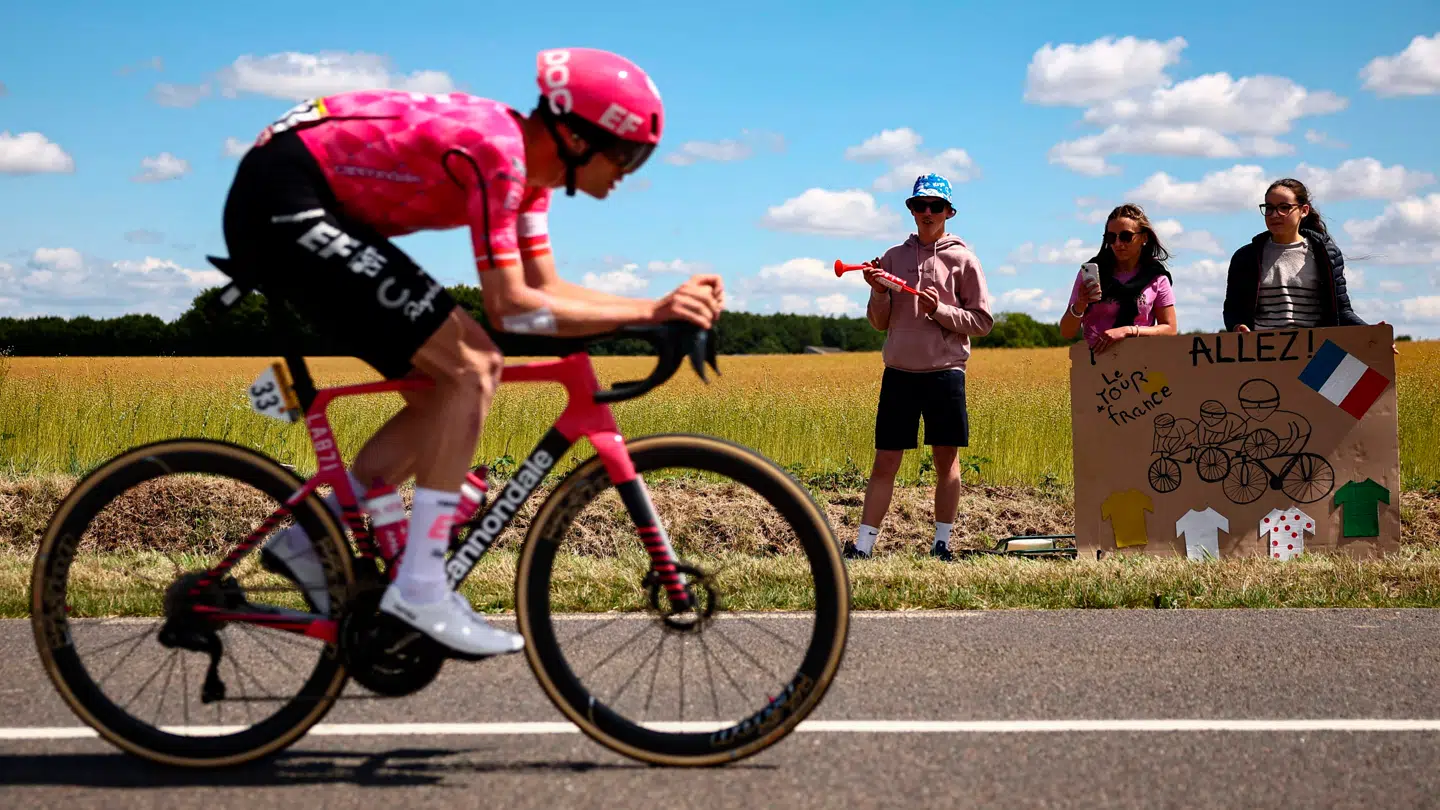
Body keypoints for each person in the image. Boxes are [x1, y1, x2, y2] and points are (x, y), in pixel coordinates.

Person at [221, 48, 725, 657]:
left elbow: (548, 291)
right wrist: (653, 312)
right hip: (281, 193)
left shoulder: (531, 181)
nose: (629, 171)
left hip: (305, 193)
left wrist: (653, 308)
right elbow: (510, 307)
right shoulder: (499, 153)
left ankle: (315, 536)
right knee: (474, 364)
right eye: (627, 154)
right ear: (573, 136)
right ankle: (422, 587)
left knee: (445, 380)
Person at [843, 173, 993, 563]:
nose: (927, 213)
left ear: (949, 212)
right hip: (899, 373)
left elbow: (982, 321)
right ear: (911, 210)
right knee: (885, 461)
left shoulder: (964, 260)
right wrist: (877, 290)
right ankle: (863, 547)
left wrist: (939, 311)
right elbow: (879, 322)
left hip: (945, 372)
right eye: (919, 205)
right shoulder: (892, 257)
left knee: (946, 460)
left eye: (935, 206)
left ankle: (942, 544)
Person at [1060, 203, 1178, 354]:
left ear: (1144, 237)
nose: (1118, 243)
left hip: (1142, 362)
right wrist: (1080, 304)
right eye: (1111, 237)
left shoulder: (1156, 277)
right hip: (1095, 362)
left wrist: (1128, 331)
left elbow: (1170, 329)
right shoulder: (1092, 273)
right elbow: (1066, 332)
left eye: (1126, 236)